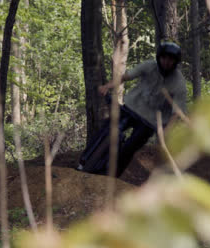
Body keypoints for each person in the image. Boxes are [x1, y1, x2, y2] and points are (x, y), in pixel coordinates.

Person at [77, 41, 187, 177]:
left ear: (176, 62)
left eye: (171, 59)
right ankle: (84, 160)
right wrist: (107, 86)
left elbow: (176, 112)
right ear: (159, 57)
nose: (166, 62)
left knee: (130, 147)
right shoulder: (149, 66)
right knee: (108, 128)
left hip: (150, 122)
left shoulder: (179, 84)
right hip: (132, 108)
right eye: (164, 58)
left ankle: (112, 176)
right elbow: (126, 77)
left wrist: (166, 131)